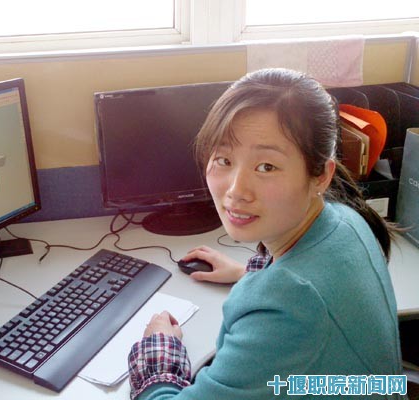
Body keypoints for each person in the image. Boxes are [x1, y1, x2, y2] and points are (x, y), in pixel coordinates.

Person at [127, 68, 403, 399]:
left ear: (320, 175)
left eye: (266, 167)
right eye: (224, 159)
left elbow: (297, 308)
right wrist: (250, 275)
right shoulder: (347, 219)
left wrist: (159, 353)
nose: (235, 190)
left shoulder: (289, 308)